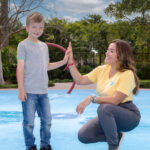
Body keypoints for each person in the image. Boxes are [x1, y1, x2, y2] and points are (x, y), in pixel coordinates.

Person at [67, 40, 141, 150]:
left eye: (111, 51)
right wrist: (70, 61)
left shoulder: (127, 74)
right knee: (84, 136)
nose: (107, 53)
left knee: (104, 108)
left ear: (121, 55)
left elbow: (115, 100)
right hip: (108, 114)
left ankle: (113, 147)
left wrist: (91, 98)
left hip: (128, 116)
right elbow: (80, 80)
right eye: (107, 50)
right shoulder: (102, 70)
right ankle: (116, 136)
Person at [17, 12, 70, 150]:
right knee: (29, 123)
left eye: (40, 27)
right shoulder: (23, 45)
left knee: (47, 121)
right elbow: (20, 68)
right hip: (29, 92)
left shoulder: (44, 46)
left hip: (43, 92)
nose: (37, 30)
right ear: (27, 28)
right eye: (34, 27)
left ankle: (45, 145)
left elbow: (47, 66)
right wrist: (21, 89)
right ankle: (30, 146)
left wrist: (64, 61)